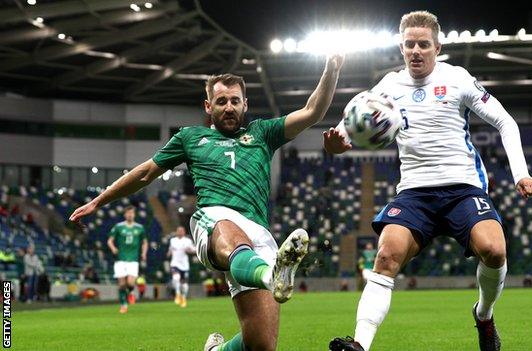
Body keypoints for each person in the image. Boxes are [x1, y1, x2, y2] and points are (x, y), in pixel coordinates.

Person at [69, 53, 344, 351]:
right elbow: (146, 173)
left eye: (235, 101)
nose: (229, 107)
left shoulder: (262, 133)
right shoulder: (190, 137)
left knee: (260, 344)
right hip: (213, 221)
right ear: (208, 106)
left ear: (245, 105)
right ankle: (270, 274)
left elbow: (313, 111)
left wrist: (332, 67)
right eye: (222, 101)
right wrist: (99, 201)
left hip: (259, 233)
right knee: (229, 229)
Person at [325, 11, 532, 351]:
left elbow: (505, 122)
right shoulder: (387, 88)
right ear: (401, 47)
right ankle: (360, 345)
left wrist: (521, 174)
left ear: (437, 47)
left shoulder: (457, 79)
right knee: (386, 256)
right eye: (409, 44)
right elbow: (347, 130)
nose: (416, 51)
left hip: (463, 188)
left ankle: (483, 315)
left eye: (423, 45)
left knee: (495, 250)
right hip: (414, 193)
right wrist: (337, 143)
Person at [107, 205, 148, 313]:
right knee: (121, 284)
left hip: (133, 259)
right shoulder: (118, 227)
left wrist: (144, 253)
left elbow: (145, 242)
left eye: (132, 213)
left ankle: (130, 292)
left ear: (134, 215)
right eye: (128, 213)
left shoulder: (140, 228)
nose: (130, 215)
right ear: (125, 214)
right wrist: (113, 248)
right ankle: (123, 304)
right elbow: (110, 240)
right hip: (120, 259)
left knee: (130, 283)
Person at [167, 225, 195, 307]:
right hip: (175, 264)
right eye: (178, 230)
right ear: (176, 232)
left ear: (184, 232)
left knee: (184, 284)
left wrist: (189, 251)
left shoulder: (188, 241)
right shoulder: (173, 240)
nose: (179, 232)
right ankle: (177, 294)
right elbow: (171, 249)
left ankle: (183, 298)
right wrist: (169, 253)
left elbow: (193, 250)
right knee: (176, 278)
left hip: (184, 265)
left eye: (181, 230)